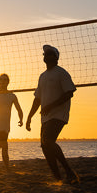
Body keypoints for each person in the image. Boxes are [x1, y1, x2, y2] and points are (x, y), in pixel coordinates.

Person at [25, 44, 78, 184]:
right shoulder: (42, 76)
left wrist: (51, 106)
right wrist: (29, 117)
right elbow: (37, 99)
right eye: (45, 54)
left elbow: (69, 93)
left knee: (48, 141)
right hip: (46, 116)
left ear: (56, 57)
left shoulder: (61, 73)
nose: (47, 56)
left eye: (50, 54)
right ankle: (58, 178)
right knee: (45, 146)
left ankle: (69, 172)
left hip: (59, 114)